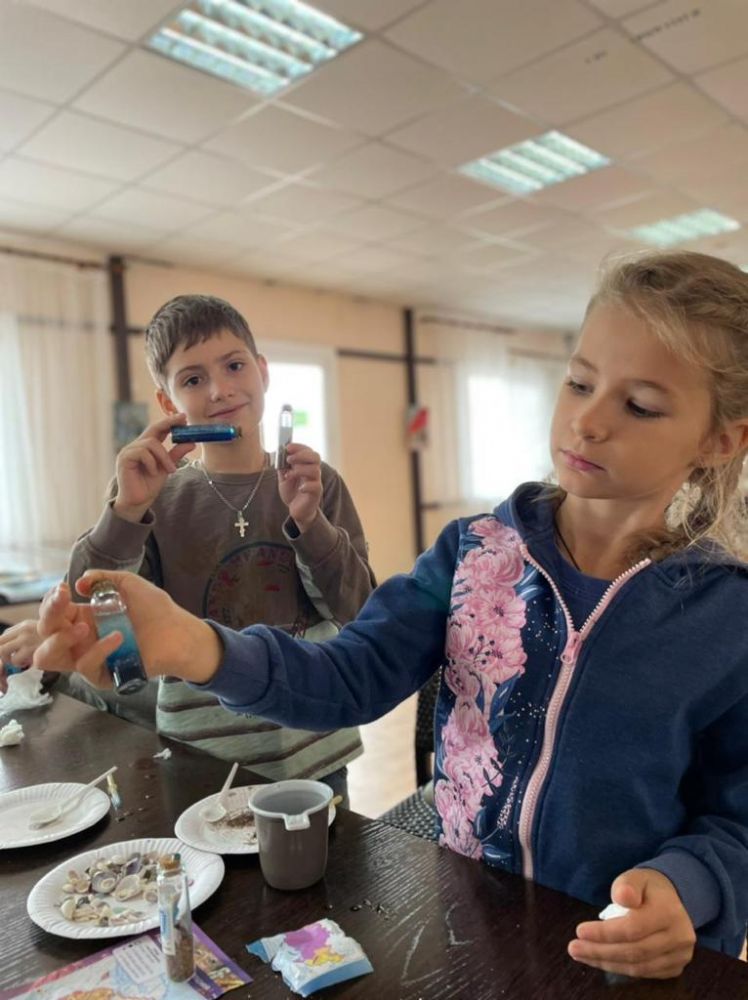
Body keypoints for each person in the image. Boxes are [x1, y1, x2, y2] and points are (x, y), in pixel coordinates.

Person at [33, 252, 748, 979]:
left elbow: (738, 820)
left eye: (640, 405)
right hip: (470, 921)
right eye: (580, 382)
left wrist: (689, 886)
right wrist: (196, 646)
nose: (587, 421)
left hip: (621, 956)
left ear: (721, 440)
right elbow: (350, 674)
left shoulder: (727, 614)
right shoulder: (472, 554)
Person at [9, 294, 375, 803]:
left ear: (263, 372)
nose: (220, 389)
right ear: (168, 403)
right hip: (202, 752)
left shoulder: (317, 484)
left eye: (234, 366)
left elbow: (359, 611)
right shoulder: (152, 497)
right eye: (193, 379)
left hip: (313, 741)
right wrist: (126, 512)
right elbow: (93, 611)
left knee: (327, 856)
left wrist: (310, 524)